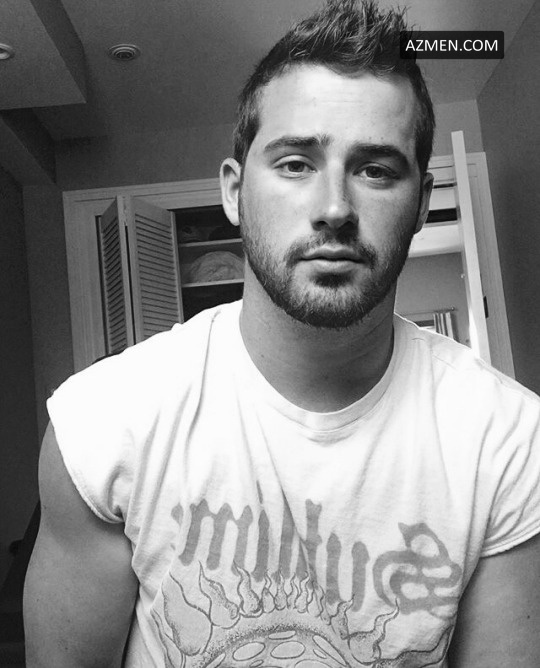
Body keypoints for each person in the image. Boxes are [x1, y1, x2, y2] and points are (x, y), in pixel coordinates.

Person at [23, 0, 540, 666]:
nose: (334, 209)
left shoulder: (508, 442)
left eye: (376, 170)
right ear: (234, 192)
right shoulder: (103, 426)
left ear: (421, 203)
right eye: (296, 163)